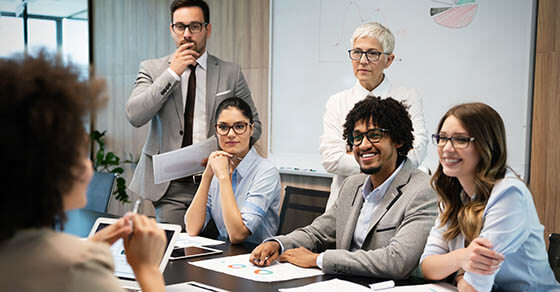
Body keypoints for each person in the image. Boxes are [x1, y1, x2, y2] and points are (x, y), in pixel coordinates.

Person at [0, 53, 167, 292]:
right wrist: (148, 269)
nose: (89, 166)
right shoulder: (79, 269)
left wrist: (91, 246)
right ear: (58, 168)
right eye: (82, 155)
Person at [250, 96, 437, 279]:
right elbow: (318, 232)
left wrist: (318, 259)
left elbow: (397, 260)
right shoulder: (353, 184)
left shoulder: (422, 191)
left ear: (398, 140)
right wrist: (278, 244)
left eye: (374, 135)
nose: (363, 145)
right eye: (357, 137)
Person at [126, 0, 261, 229]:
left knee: (218, 255)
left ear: (207, 29)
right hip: (171, 188)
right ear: (172, 29)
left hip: (218, 183)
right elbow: (135, 115)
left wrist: (226, 148)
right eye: (180, 27)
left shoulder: (230, 72)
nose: (187, 34)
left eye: (195, 26)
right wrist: (172, 73)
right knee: (178, 254)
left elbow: (254, 125)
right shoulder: (152, 69)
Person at [420, 103, 560, 291]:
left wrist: (459, 275)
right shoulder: (454, 193)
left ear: (486, 145)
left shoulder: (509, 194)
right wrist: (462, 257)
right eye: (442, 138)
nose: (447, 148)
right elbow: (428, 267)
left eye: (461, 140)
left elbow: (473, 288)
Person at [320, 22, 428, 209]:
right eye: (357, 52)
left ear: (389, 60)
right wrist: (384, 157)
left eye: (372, 53)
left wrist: (355, 153)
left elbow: (417, 150)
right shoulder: (337, 102)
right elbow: (331, 159)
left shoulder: (407, 98)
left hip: (392, 204)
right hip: (345, 203)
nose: (362, 60)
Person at [185, 97, 281, 244]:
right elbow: (192, 228)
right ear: (216, 131)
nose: (230, 134)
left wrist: (224, 178)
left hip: (255, 257)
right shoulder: (218, 167)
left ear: (251, 129)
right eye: (223, 127)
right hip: (223, 255)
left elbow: (237, 235)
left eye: (239, 126)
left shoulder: (266, 172)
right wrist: (207, 175)